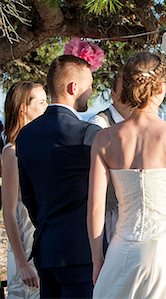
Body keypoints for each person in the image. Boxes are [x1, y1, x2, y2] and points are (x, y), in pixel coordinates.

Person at [87, 52, 166, 298]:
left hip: (121, 249)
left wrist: (97, 260)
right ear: (161, 87)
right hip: (164, 252)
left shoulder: (104, 139)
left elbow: (95, 207)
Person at [16, 55, 100, 298]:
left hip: (46, 248)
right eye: (89, 84)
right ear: (73, 88)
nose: (91, 91)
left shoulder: (26, 135)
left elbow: (29, 196)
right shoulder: (87, 133)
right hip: (80, 251)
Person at [2, 82, 48, 298]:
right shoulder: (12, 152)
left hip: (44, 244)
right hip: (24, 248)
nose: (47, 106)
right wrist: (22, 263)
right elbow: (9, 212)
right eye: (41, 102)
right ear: (23, 108)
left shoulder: (41, 146)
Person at [88, 73, 132, 242]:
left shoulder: (139, 123)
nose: (130, 94)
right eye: (124, 89)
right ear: (112, 93)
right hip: (111, 217)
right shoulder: (99, 124)